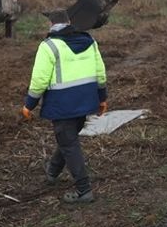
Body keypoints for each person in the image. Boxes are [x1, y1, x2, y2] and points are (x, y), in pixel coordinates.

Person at [21, 18, 109, 204]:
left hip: (62, 104)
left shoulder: (49, 46)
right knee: (67, 139)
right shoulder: (90, 42)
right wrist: (102, 98)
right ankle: (52, 171)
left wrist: (29, 104)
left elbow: (39, 80)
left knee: (69, 143)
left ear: (53, 27)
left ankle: (84, 190)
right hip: (85, 102)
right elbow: (100, 73)